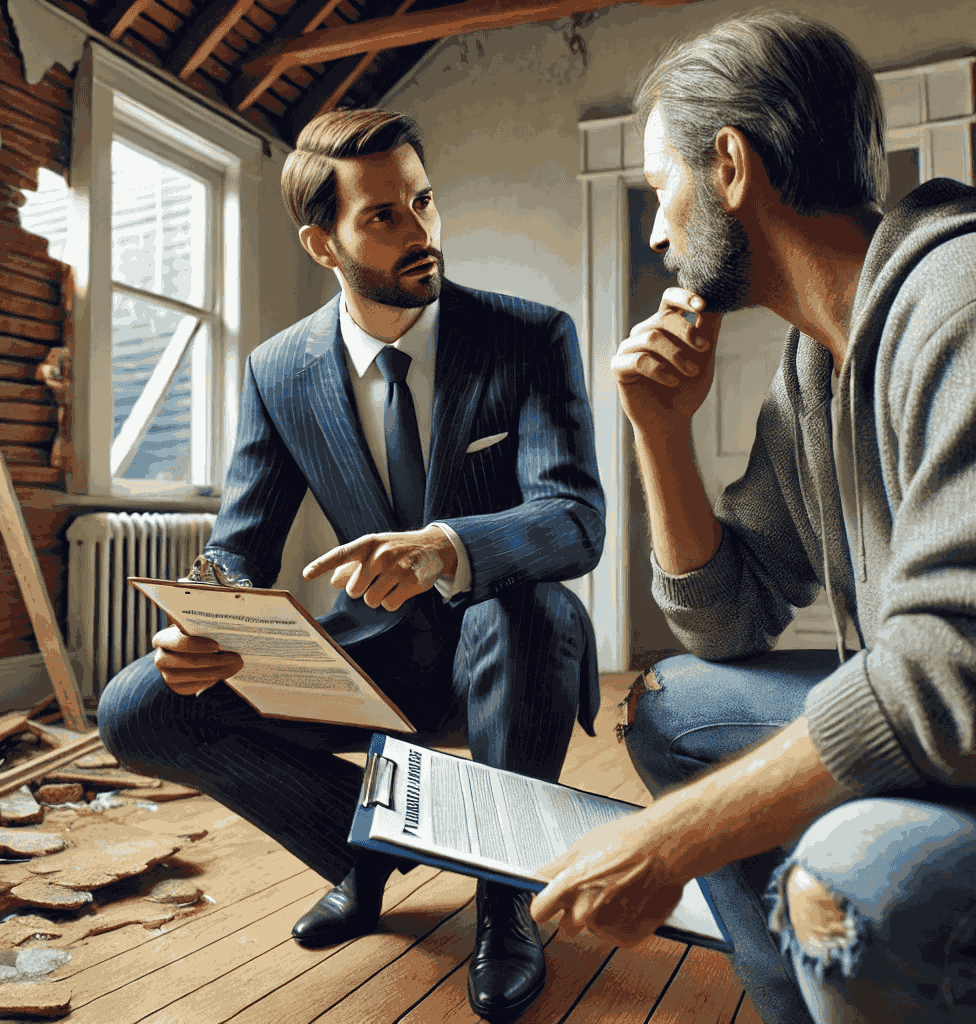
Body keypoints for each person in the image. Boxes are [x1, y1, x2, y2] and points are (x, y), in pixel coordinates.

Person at [531, 11, 976, 1024]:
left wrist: (671, 839)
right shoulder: (816, 366)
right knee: (673, 704)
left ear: (729, 165)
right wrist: (659, 432)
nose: (657, 231)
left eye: (659, 189)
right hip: (970, 724)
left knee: (848, 879)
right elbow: (728, 623)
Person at [98, 108, 605, 1022]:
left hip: (510, 653)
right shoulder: (278, 370)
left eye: (424, 201)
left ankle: (504, 904)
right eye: (384, 216)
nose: (422, 232)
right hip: (369, 656)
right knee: (137, 708)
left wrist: (449, 546)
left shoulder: (531, 337)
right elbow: (237, 548)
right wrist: (202, 620)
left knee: (530, 611)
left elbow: (575, 519)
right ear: (321, 243)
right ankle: (364, 852)